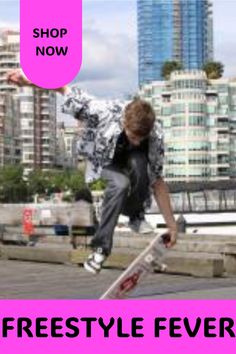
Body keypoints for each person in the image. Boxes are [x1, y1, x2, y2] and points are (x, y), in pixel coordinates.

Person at [7, 69, 177, 274]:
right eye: (133, 137)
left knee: (142, 165)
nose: (137, 141)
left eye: (141, 138)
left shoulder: (155, 135)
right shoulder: (102, 111)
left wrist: (172, 225)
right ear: (124, 123)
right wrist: (28, 81)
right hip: (102, 162)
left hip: (131, 166)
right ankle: (100, 249)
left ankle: (135, 215)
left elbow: (158, 182)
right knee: (121, 183)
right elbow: (62, 87)